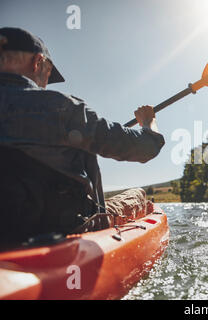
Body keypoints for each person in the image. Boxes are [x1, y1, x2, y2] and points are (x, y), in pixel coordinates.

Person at [0, 27, 165, 244]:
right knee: (138, 194)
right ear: (38, 62)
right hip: (70, 231)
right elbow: (146, 148)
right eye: (48, 73)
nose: (46, 83)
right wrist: (148, 123)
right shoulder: (64, 109)